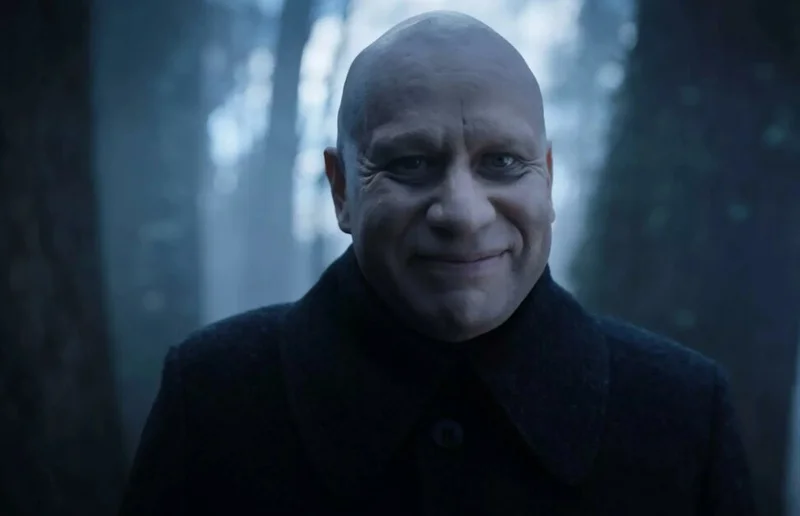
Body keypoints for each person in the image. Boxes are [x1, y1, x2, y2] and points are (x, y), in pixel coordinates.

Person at [119, 11, 756, 515]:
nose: (463, 213)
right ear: (342, 191)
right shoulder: (213, 400)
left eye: (501, 162)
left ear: (548, 177)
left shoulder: (683, 415)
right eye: (410, 163)